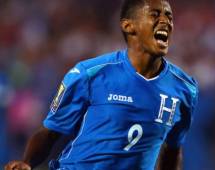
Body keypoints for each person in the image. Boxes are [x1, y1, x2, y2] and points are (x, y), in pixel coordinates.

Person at [5, 0, 199, 169]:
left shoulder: (184, 89)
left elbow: (173, 148)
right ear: (129, 26)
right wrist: (27, 163)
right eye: (155, 15)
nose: (166, 21)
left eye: (169, 16)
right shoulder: (90, 74)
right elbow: (50, 132)